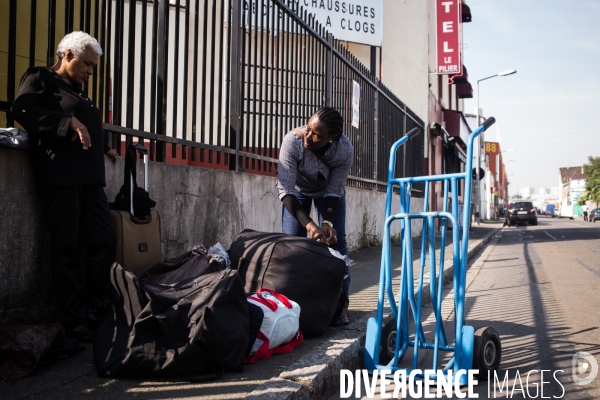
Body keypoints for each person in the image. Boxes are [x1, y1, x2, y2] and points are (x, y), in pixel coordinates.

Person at [11, 31, 117, 342]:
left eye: (93, 67)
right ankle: (74, 319)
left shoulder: (79, 92)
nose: (90, 71)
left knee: (104, 238)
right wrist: (65, 124)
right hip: (60, 176)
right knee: (67, 246)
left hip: (90, 179)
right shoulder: (40, 77)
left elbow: (86, 122)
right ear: (67, 55)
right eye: (86, 64)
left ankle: (97, 305)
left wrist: (105, 145)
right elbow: (22, 111)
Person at [277, 107, 354, 326]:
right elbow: (286, 191)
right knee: (293, 245)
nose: (309, 137)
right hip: (297, 193)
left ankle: (341, 305)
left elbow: (333, 190)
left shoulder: (344, 150)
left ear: (332, 137)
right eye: (309, 129)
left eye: (317, 135)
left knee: (336, 246)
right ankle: (291, 304)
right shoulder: (292, 141)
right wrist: (310, 225)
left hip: (327, 192)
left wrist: (327, 223)